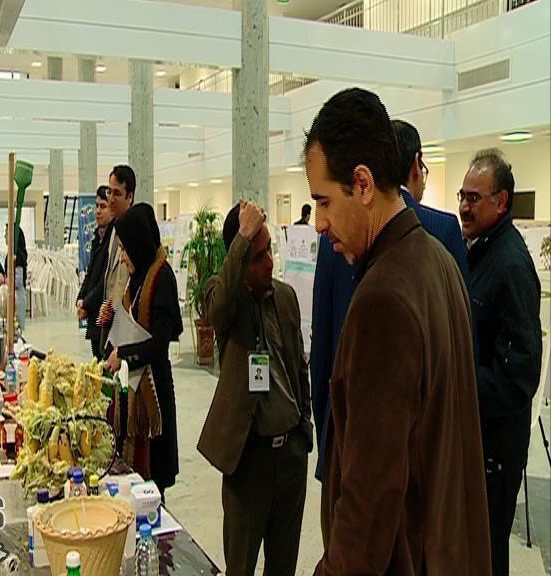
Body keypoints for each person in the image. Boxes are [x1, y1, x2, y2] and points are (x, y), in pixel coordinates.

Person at [305, 88, 491, 574]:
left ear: (363, 184)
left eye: (324, 201)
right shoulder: (437, 261)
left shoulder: (383, 298)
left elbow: (369, 503)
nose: (319, 223)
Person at [310, 118, 472, 479]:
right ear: (415, 164)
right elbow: (462, 354)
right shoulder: (443, 232)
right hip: (428, 457)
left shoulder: (342, 243)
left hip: (359, 451)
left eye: (324, 201)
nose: (321, 221)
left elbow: (322, 354)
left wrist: (329, 446)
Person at [197, 201, 313, 576]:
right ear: (240, 258)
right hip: (249, 461)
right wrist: (243, 236)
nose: (269, 263)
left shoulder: (286, 297)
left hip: (290, 456)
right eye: (258, 256)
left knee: (283, 566)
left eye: (270, 252)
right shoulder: (225, 298)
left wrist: (305, 430)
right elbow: (217, 310)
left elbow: (299, 369)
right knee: (241, 565)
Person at [460, 148, 542, 576]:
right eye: (462, 196)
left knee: (487, 557)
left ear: (501, 201)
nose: (464, 206)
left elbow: (520, 375)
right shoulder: (481, 252)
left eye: (474, 198)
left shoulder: (509, 266)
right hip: (480, 443)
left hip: (495, 451)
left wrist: (458, 381)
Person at [105, 204, 182, 496]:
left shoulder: (161, 278)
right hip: (134, 387)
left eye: (125, 249)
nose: (123, 256)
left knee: (154, 482)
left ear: (138, 244)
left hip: (154, 395)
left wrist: (123, 354)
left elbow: (159, 343)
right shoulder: (138, 276)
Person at [97, 165, 136, 351]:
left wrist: (115, 307)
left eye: (117, 193)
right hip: (111, 318)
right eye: (109, 192)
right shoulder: (115, 228)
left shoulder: (136, 231)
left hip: (126, 322)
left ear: (130, 197)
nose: (111, 199)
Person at [77, 186, 113, 358]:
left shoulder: (113, 241)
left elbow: (105, 282)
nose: (98, 211)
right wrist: (80, 300)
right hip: (93, 317)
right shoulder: (97, 239)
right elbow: (90, 274)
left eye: (103, 206)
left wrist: (86, 304)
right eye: (96, 206)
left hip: (105, 318)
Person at [4, 223, 29, 330]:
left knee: (17, 329)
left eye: (6, 233)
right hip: (14, 296)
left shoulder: (17, 254)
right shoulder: (12, 253)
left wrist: (4, 280)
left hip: (17, 298)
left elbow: (18, 281)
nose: (4, 236)